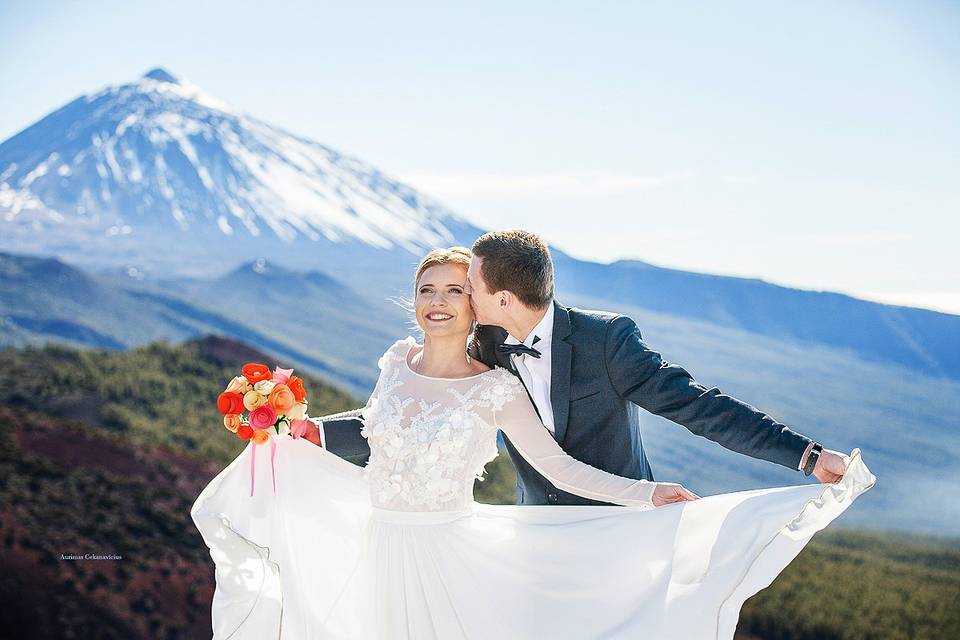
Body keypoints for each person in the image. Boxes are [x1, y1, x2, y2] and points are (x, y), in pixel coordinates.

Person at [191, 246, 876, 640]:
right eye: (426, 289)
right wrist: (308, 431)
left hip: (559, 537)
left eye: (458, 290)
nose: (440, 301)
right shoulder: (410, 358)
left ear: (491, 301)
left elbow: (684, 411)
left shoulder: (560, 358)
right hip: (422, 544)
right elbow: (383, 428)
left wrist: (799, 457)